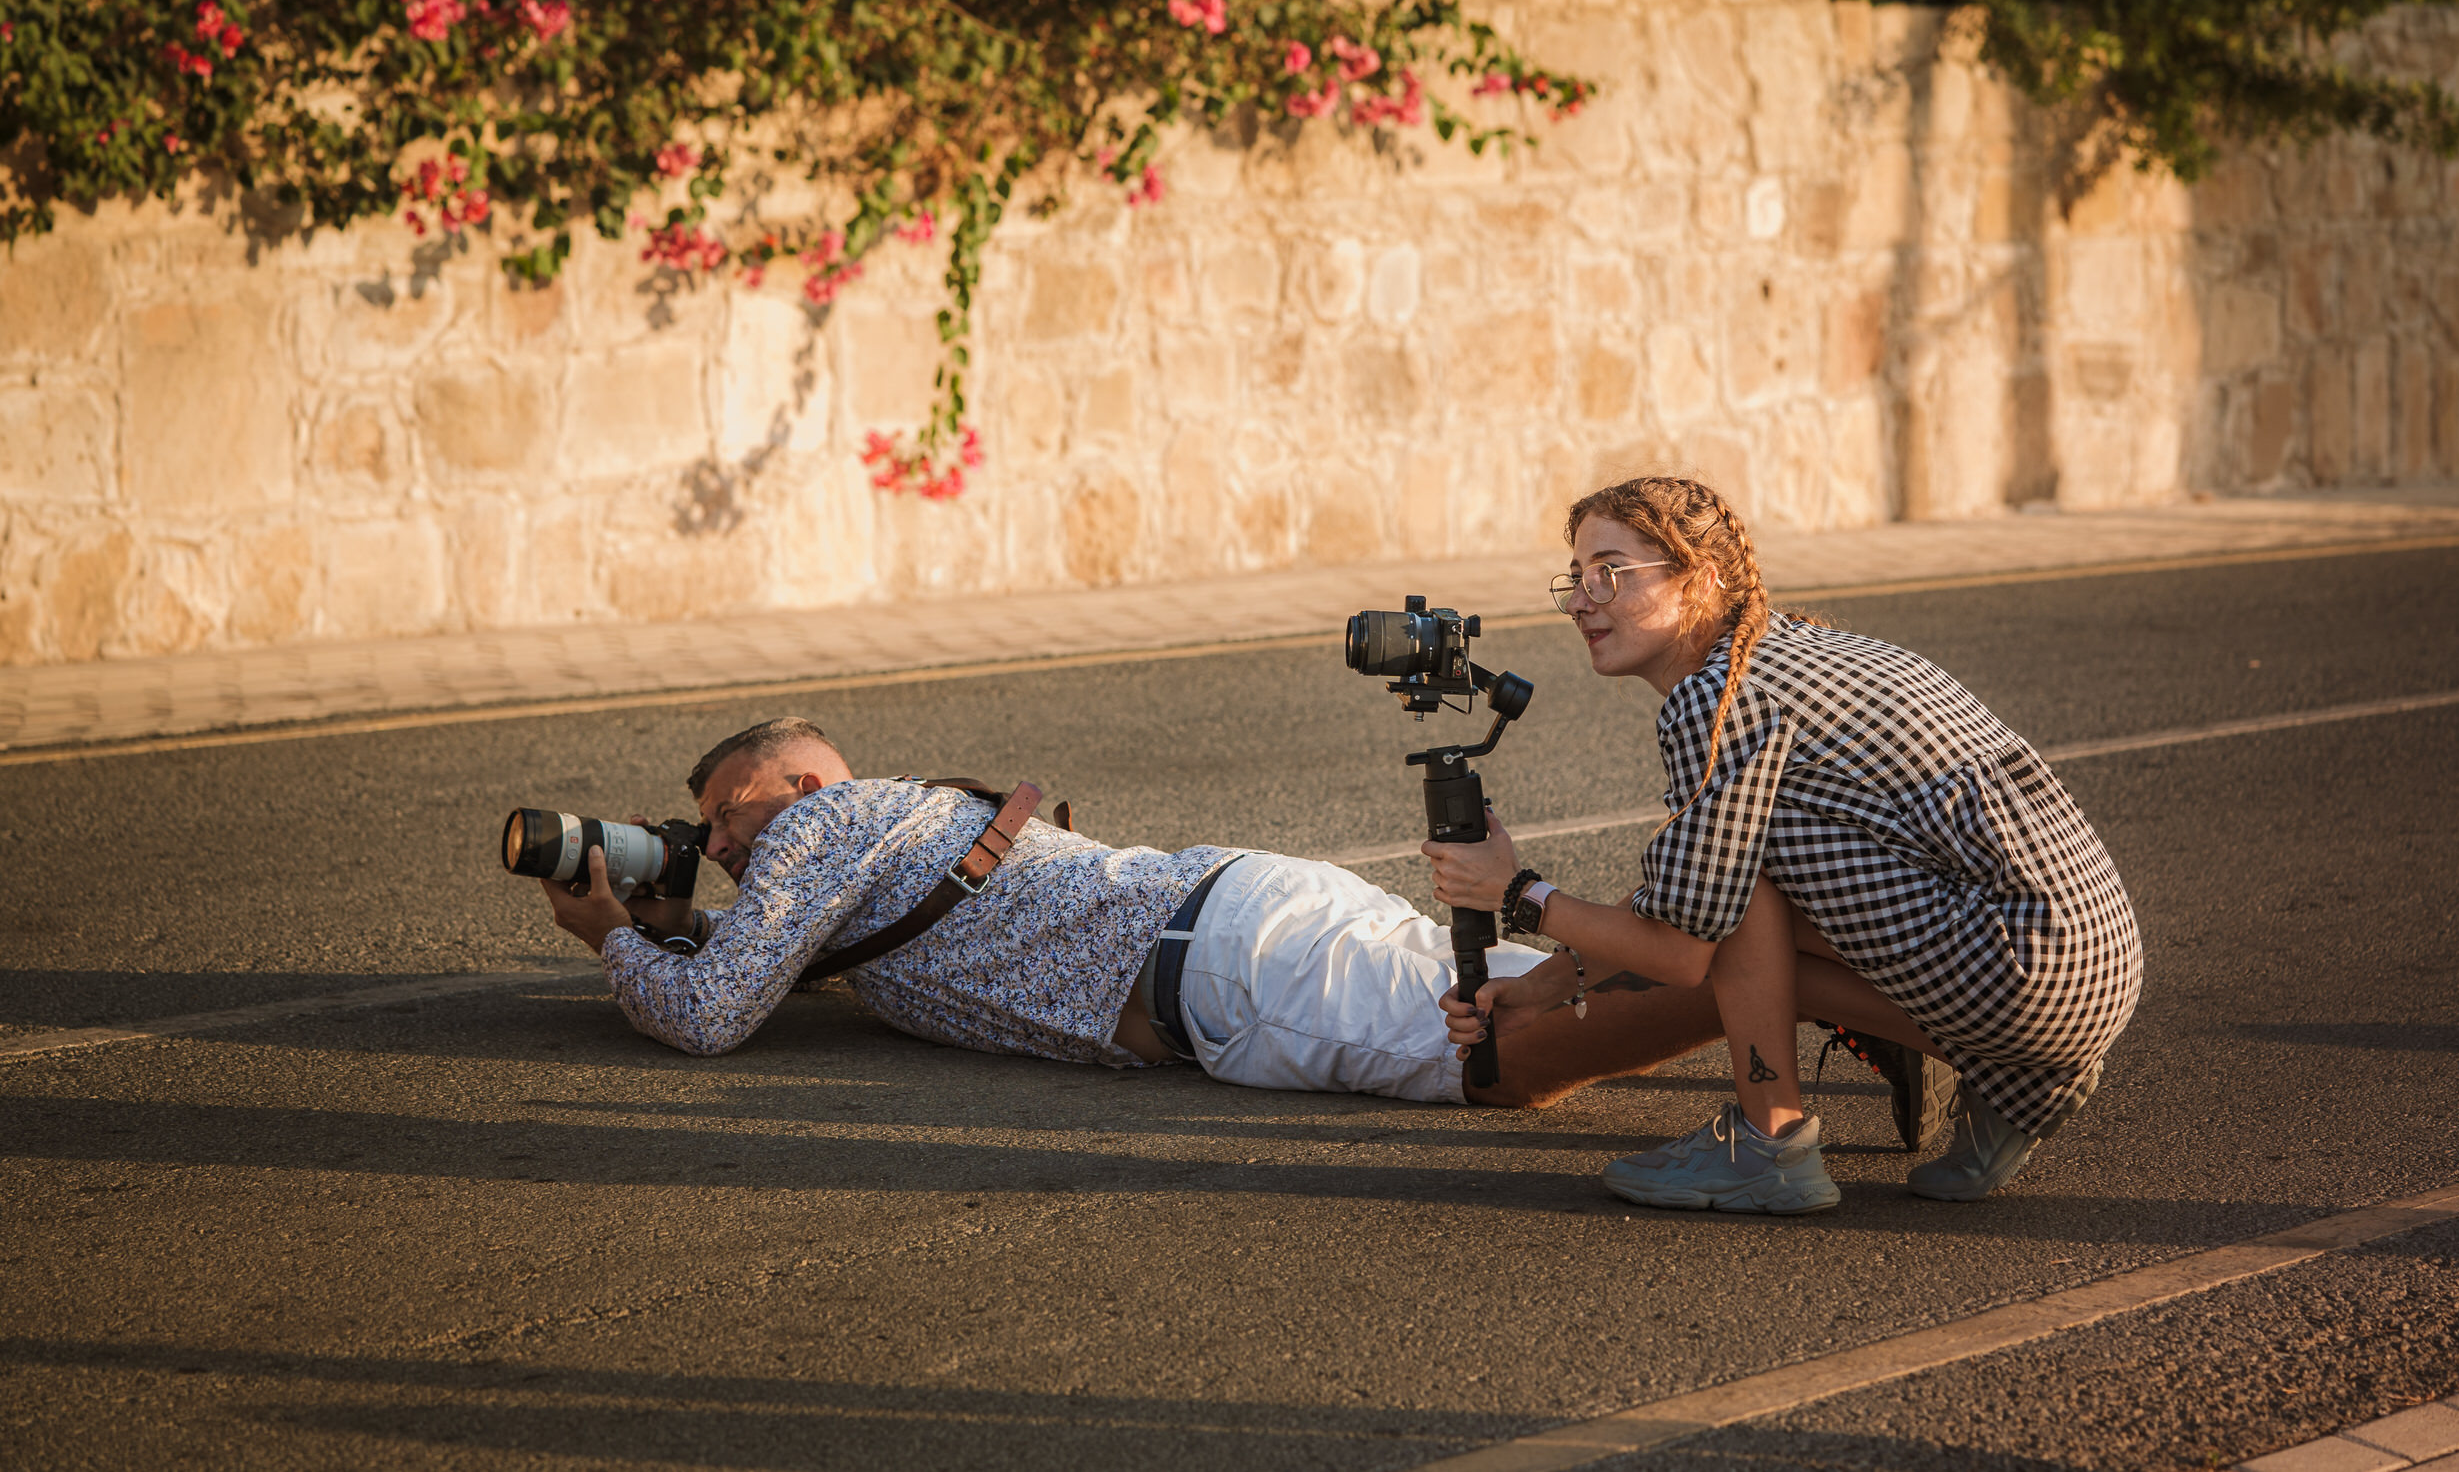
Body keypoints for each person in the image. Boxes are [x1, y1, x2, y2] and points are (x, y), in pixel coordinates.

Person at [535, 715, 1941, 1121]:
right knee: (1550, 984)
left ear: (802, 778)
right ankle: (1891, 994)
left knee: (1495, 1059)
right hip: (1251, 920)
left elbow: (716, 1019)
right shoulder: (878, 834)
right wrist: (676, 916)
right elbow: (758, 967)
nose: (718, 844)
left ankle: (1843, 1000)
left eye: (729, 814)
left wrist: (606, 934)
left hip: (1233, 974)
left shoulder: (829, 821)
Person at [1433, 475, 2142, 1208]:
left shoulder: (1719, 697)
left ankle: (1769, 1141)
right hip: (2088, 969)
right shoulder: (1792, 647)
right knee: (1728, 885)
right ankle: (2014, 1081)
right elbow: (1683, 891)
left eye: (1610, 573)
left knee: (1740, 899)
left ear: (1700, 582)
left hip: (2021, 969)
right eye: (1576, 578)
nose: (1582, 600)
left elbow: (1682, 946)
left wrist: (1517, 893)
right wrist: (1539, 992)